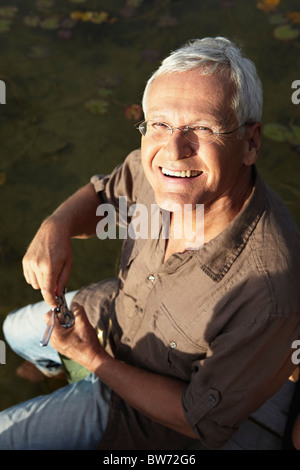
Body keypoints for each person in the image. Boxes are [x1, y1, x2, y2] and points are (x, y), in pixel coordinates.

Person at [1, 36, 300, 450]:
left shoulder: (270, 291)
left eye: (202, 128)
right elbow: (106, 197)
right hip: (118, 314)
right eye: (158, 123)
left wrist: (94, 360)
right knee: (13, 330)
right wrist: (57, 225)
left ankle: (72, 368)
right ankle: (53, 364)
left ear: (251, 142)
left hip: (148, 417)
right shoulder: (157, 168)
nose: (173, 151)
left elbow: (200, 421)